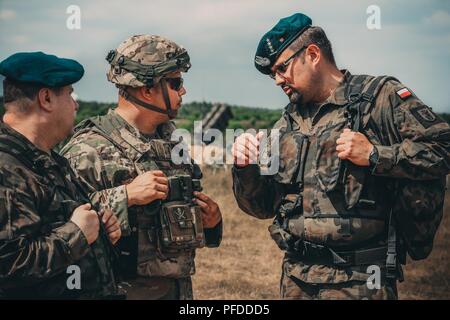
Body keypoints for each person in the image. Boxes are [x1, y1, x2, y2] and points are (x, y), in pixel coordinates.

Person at [232, 13, 450, 300]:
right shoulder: (287, 123)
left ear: (312, 54)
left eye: (282, 68)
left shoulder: (379, 98)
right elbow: (262, 208)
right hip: (297, 276)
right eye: (273, 72)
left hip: (360, 280)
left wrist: (375, 155)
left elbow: (442, 147)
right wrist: (244, 167)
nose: (277, 80)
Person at [60, 35, 223, 300]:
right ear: (147, 89)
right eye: (175, 83)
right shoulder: (88, 149)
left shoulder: (170, 144)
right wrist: (126, 196)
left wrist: (212, 221)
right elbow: (61, 228)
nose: (183, 91)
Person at [0, 52, 121, 299]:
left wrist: (99, 229)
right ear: (46, 98)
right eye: (70, 94)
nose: (75, 104)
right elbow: (8, 264)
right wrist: (76, 234)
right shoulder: (7, 167)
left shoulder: (47, 160)